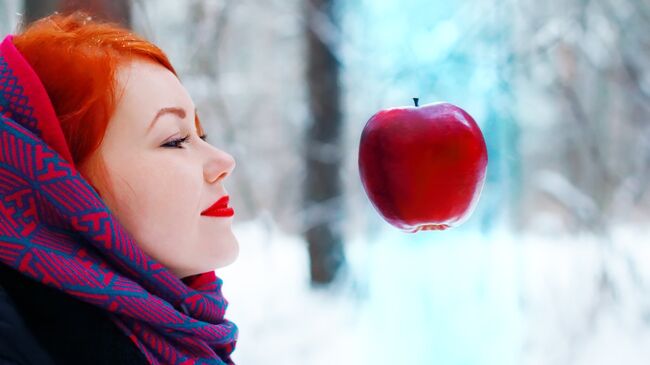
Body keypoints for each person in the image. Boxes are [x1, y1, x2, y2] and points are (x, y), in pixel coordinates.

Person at [0, 10, 239, 365]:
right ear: (61, 190)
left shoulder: (184, 340)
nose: (224, 161)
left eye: (201, 134)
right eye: (175, 140)